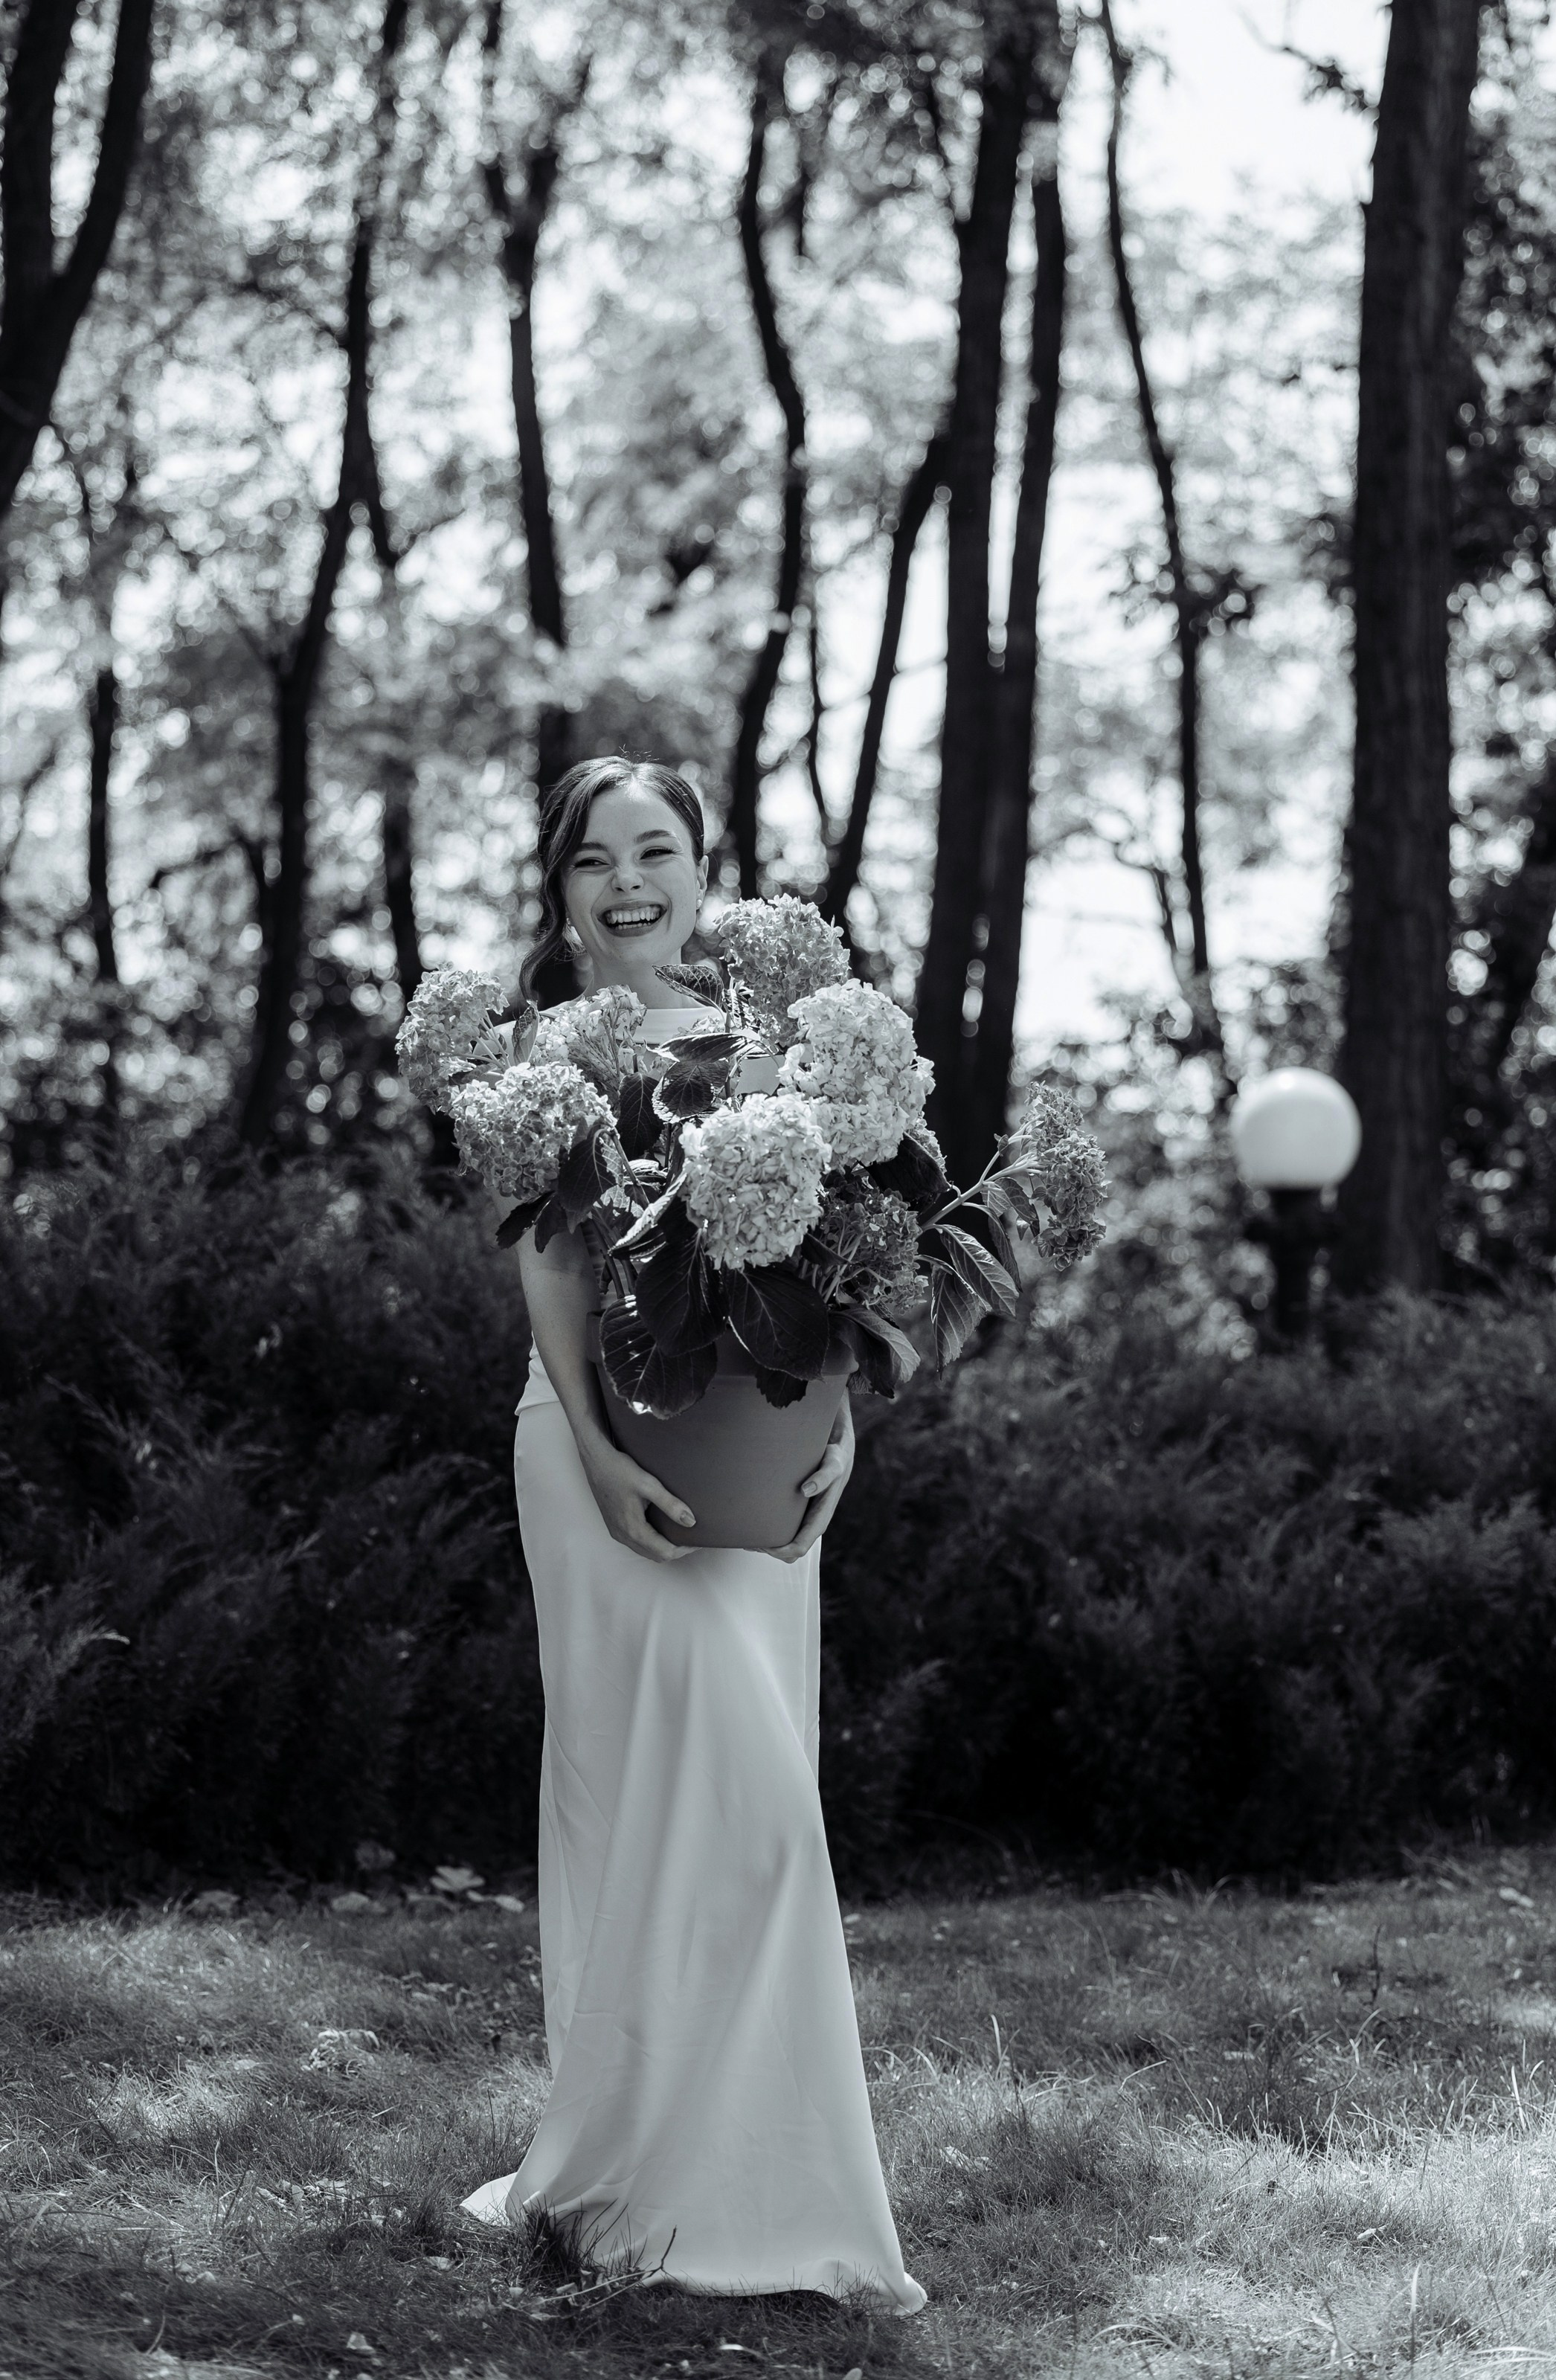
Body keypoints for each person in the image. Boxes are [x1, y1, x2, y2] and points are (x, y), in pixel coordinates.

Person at [460, 756, 928, 2317]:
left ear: (703, 864)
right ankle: (634, 2166)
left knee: (755, 1793)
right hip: (597, 1459)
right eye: (591, 857)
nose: (625, 878)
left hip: (759, 1468)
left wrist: (843, 1435)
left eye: (653, 847)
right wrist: (593, 1454)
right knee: (637, 1791)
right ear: (561, 888)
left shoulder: (780, 1047)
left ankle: (751, 2167)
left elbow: (844, 1276)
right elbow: (548, 1284)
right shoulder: (542, 1051)